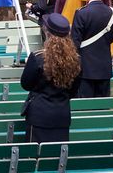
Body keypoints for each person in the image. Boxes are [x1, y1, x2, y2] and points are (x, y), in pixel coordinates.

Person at [21, 15, 83, 143]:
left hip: (39, 115)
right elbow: (73, 90)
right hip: (62, 114)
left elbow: (26, 84)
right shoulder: (76, 60)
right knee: (56, 158)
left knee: (35, 157)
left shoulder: (38, 58)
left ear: (47, 33)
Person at [71, 0, 113, 97]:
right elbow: (112, 37)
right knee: (103, 108)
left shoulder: (81, 14)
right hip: (104, 68)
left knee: (85, 108)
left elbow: (75, 42)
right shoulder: (112, 12)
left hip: (85, 69)